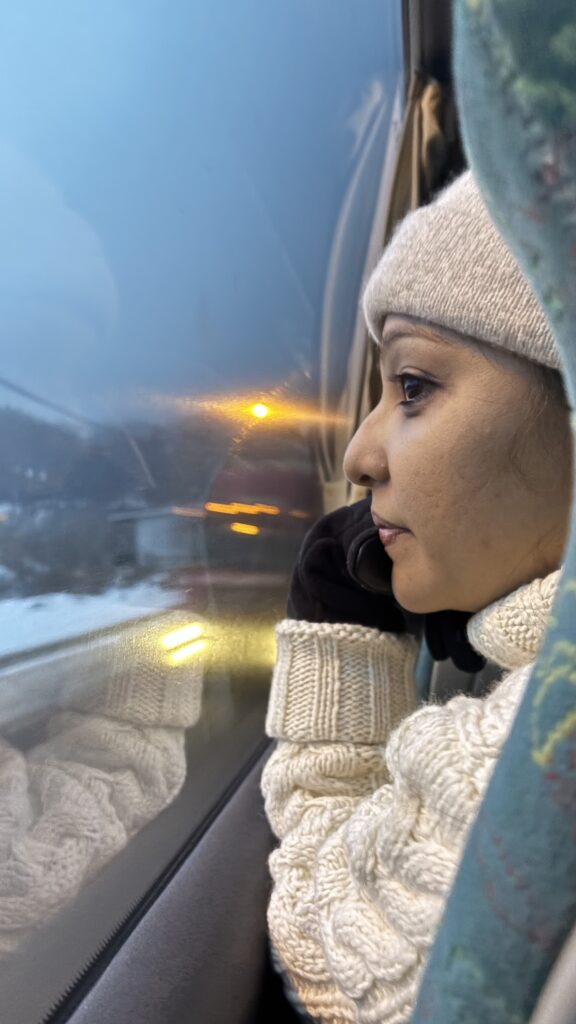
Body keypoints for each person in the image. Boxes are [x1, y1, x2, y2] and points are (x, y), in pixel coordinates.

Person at [261, 169, 573, 1024]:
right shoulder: (515, 667)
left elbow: (326, 943)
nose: (361, 454)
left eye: (412, 387)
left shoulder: (542, 735)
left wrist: (338, 640)